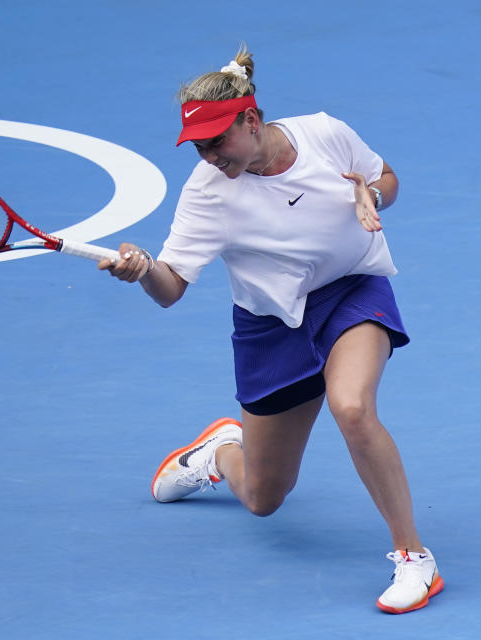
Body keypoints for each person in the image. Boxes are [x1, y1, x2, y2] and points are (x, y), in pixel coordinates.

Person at [98, 46, 443, 614]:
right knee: (263, 499)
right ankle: (220, 452)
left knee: (352, 407)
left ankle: (414, 559)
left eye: (218, 140)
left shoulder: (325, 134)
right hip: (270, 326)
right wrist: (141, 271)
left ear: (251, 121)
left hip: (351, 291)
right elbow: (171, 286)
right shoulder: (206, 193)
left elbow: (387, 178)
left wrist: (372, 194)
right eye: (200, 146)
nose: (210, 156)